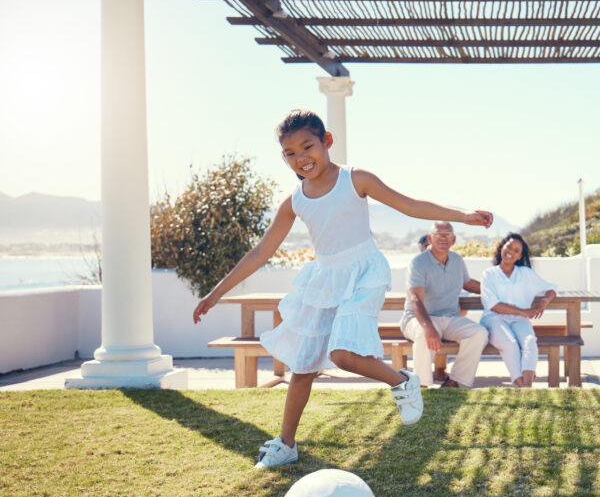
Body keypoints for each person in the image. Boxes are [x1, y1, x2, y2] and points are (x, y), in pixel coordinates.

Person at [193, 110, 492, 468]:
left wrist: (463, 215)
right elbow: (261, 252)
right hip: (325, 279)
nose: (301, 158)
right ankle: (286, 444)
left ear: (327, 142)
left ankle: (403, 381)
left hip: (364, 273)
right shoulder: (294, 201)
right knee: (303, 366)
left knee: (342, 355)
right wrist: (216, 293)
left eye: (308, 147)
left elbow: (410, 205)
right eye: (290, 153)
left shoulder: (356, 179)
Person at [401, 222, 489, 388]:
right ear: (430, 238)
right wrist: (428, 328)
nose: (443, 238)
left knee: (479, 333)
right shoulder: (418, 263)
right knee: (422, 336)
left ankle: (455, 382)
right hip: (418, 318)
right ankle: (421, 387)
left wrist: (495, 289)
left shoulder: (457, 260)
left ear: (453, 239)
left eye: (447, 235)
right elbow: (415, 299)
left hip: (450, 317)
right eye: (438, 234)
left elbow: (468, 283)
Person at [480, 233, 556, 388]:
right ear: (502, 247)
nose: (511, 251)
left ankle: (526, 387)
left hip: (519, 320)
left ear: (520, 256)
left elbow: (551, 288)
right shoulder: (489, 274)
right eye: (508, 246)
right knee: (510, 344)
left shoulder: (525, 273)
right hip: (493, 318)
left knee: (529, 342)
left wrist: (544, 301)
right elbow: (493, 305)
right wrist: (524, 312)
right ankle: (524, 388)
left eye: (516, 250)